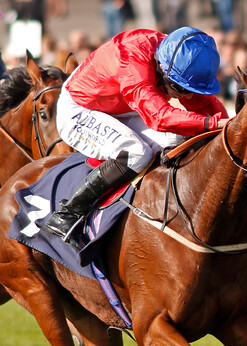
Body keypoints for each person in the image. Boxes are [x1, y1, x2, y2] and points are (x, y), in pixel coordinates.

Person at [45, 27, 230, 250]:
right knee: (137, 153)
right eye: (181, 90)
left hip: (120, 107)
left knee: (178, 140)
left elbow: (206, 105)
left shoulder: (176, 57)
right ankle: (68, 214)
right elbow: (159, 117)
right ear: (163, 69)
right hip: (79, 109)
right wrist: (211, 124)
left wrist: (231, 130)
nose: (188, 97)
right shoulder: (133, 61)